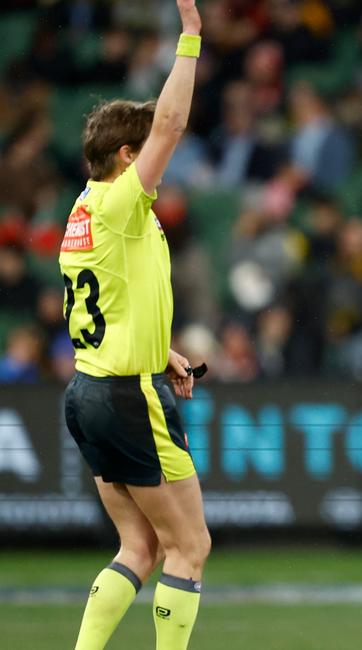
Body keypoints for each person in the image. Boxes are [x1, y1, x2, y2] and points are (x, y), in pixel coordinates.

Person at [58, 2, 211, 649]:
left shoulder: (85, 208)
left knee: (140, 546)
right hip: (126, 394)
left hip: (88, 389)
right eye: (144, 148)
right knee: (190, 546)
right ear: (127, 154)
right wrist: (191, 39)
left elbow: (115, 297)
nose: (158, 154)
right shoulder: (123, 201)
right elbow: (172, 123)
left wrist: (163, 349)